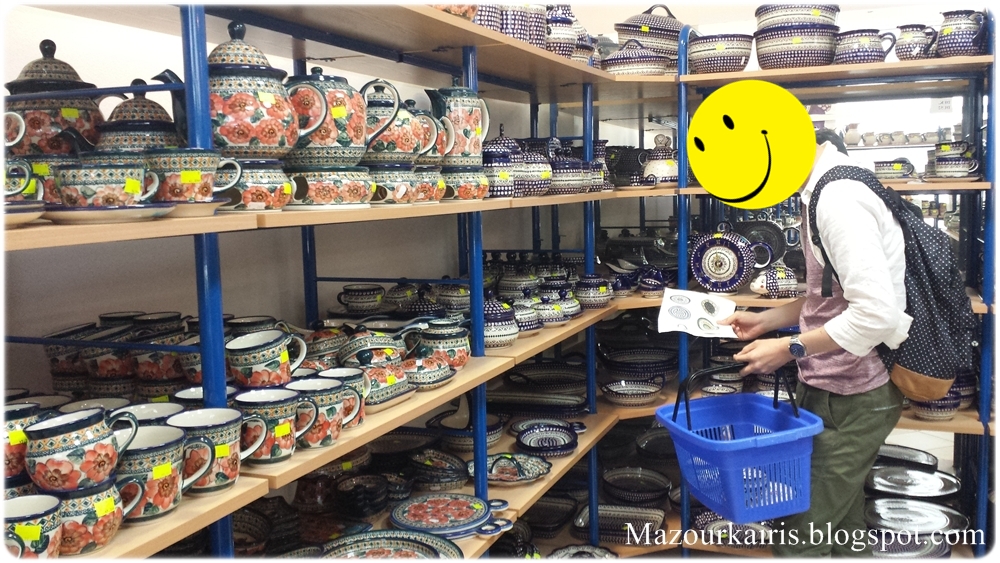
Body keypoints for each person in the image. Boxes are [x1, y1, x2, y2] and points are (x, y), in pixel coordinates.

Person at [719, 129, 909, 557]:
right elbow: (831, 296)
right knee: (844, 529)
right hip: (837, 387)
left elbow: (875, 314)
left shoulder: (839, 199)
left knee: (799, 540)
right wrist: (767, 321)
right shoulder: (825, 188)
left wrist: (787, 349)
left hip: (854, 394)